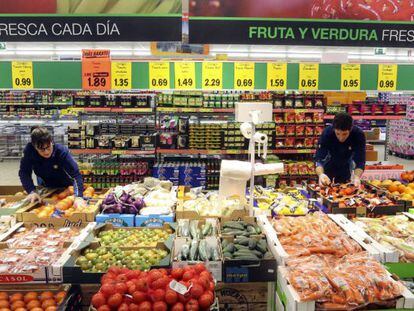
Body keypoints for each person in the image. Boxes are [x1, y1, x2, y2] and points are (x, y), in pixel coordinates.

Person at [19, 126, 85, 206]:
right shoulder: (29, 151)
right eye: (41, 149)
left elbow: (75, 174)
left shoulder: (61, 152)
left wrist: (78, 196)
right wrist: (31, 191)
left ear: (51, 142)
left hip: (66, 185)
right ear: (34, 146)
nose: (46, 152)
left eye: (48, 147)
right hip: (47, 185)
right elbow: (24, 172)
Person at [315, 113, 366, 187]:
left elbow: (360, 160)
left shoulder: (358, 134)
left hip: (346, 163)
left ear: (351, 129)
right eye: (338, 133)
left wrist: (357, 177)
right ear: (333, 129)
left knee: (344, 187)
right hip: (329, 161)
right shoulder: (327, 133)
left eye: (345, 134)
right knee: (324, 186)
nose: (341, 138)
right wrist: (321, 174)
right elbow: (319, 158)